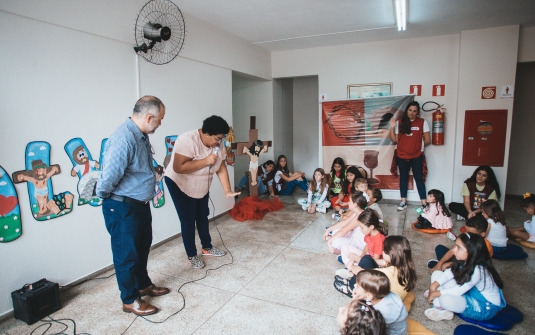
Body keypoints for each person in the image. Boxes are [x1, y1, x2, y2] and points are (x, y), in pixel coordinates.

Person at [96, 96, 169, 316]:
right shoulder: (123, 138)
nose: (160, 123)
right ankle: (129, 300)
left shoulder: (141, 136)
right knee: (126, 254)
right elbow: (109, 177)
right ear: (149, 117)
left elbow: (135, 169)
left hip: (138, 204)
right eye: (160, 119)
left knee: (141, 248)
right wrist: (105, 196)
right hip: (122, 207)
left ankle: (143, 284)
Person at [164, 115, 240, 269]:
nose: (220, 141)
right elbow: (179, 167)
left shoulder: (217, 144)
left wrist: (227, 190)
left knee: (202, 215)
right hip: (179, 183)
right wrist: (205, 161)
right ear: (206, 133)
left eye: (222, 138)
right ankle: (191, 256)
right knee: (188, 220)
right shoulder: (187, 140)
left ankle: (207, 247)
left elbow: (221, 166)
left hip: (200, 183)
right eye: (218, 138)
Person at [425, 233, 505, 322]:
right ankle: (438, 306)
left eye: (459, 248)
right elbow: (449, 273)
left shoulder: (478, 270)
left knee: (445, 299)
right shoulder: (467, 260)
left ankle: (441, 306)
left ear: (471, 251)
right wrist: (433, 286)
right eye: (455, 246)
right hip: (469, 293)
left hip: (484, 306)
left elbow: (458, 291)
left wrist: (435, 293)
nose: (454, 250)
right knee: (436, 274)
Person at [337, 236, 417, 303]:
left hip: (383, 299)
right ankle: (353, 280)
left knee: (364, 263)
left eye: (384, 251)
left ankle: (351, 288)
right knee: (366, 259)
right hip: (391, 294)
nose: (382, 252)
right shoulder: (403, 265)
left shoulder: (389, 272)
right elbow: (376, 261)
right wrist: (358, 259)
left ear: (391, 253)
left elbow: (363, 273)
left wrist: (351, 267)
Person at [389, 101, 430, 211]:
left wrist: (416, 146)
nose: (412, 113)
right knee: (404, 178)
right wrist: (392, 128)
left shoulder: (422, 122)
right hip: (401, 155)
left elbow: (427, 140)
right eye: (410, 110)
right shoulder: (400, 122)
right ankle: (403, 202)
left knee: (419, 179)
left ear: (417, 112)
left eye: (414, 111)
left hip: (416, 156)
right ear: (407, 110)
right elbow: (394, 140)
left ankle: (424, 203)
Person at [350, 270, 409, 335]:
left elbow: (363, 327)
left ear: (369, 296)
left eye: (358, 286)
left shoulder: (380, 312)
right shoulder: (385, 295)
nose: (355, 285)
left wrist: (354, 303)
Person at [427, 215, 494, 271]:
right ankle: (442, 265)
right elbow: (453, 251)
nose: (466, 234)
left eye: (470, 233)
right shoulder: (466, 236)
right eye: (466, 231)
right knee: (439, 248)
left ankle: (446, 267)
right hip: (460, 258)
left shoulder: (485, 246)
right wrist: (440, 264)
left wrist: (447, 264)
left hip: (469, 267)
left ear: (482, 234)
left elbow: (473, 267)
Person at [325, 191, 368, 256]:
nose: (348, 203)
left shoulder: (359, 216)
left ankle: (346, 251)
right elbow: (344, 223)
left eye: (350, 201)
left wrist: (329, 241)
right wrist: (329, 229)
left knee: (335, 241)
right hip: (354, 236)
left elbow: (343, 231)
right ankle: (342, 247)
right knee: (335, 231)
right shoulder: (356, 212)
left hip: (358, 243)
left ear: (355, 204)